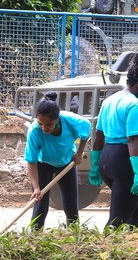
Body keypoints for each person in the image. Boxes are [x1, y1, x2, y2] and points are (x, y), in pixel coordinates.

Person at [90, 50, 138, 228]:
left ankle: (132, 249)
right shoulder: (135, 105)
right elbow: (133, 140)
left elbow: (99, 136)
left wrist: (95, 165)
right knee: (117, 222)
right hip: (124, 164)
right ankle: (104, 252)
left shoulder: (109, 101)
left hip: (107, 160)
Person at [24, 91, 92, 230]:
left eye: (48, 124)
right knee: (40, 205)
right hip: (44, 165)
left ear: (57, 119)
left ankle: (74, 235)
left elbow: (86, 130)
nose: (44, 128)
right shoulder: (34, 131)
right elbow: (31, 161)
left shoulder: (71, 121)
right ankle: (34, 237)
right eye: (40, 123)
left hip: (67, 164)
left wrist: (79, 154)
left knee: (71, 204)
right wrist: (36, 188)